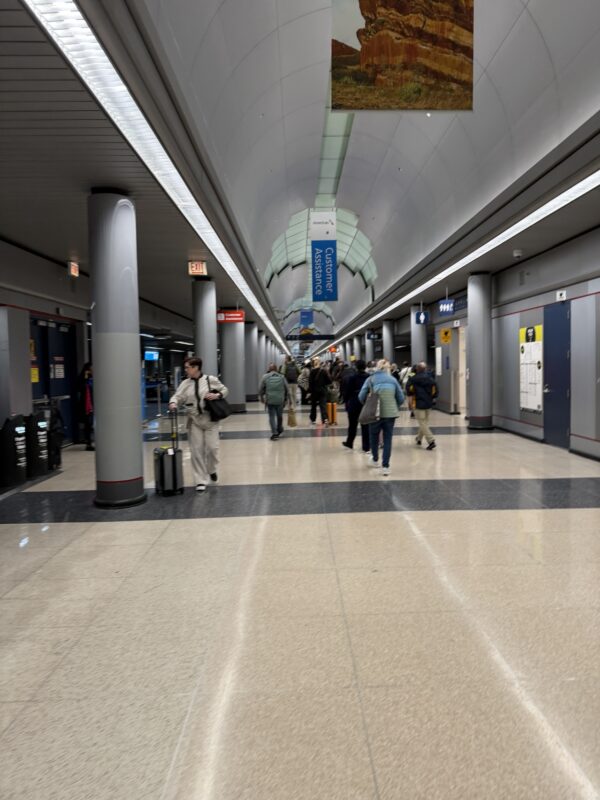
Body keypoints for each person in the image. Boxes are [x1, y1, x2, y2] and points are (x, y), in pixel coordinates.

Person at [168, 356, 228, 492]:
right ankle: (200, 480)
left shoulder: (210, 380)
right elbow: (177, 396)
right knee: (196, 451)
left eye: (187, 367)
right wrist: (173, 402)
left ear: (196, 368)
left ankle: (211, 469)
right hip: (194, 420)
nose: (186, 370)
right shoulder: (185, 383)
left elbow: (224, 390)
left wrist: (217, 395)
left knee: (213, 449)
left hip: (210, 420)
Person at [358, 358, 404, 476]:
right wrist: (394, 406)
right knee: (387, 439)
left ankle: (375, 460)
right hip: (390, 414)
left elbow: (361, 396)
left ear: (377, 368)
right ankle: (386, 467)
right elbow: (401, 398)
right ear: (388, 368)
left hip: (375, 414)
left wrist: (368, 405)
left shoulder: (370, 379)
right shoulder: (393, 380)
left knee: (373, 437)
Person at [407, 361, 438, 450]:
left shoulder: (413, 379)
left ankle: (431, 441)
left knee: (422, 423)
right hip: (428, 403)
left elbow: (409, 391)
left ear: (417, 369)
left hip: (418, 403)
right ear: (425, 369)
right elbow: (435, 390)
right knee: (424, 422)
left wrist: (410, 403)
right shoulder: (431, 378)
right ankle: (419, 438)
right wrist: (433, 398)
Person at [341, 359, 370, 452]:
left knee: (352, 425)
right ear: (365, 367)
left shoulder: (352, 377)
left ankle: (350, 443)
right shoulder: (369, 377)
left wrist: (346, 401)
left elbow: (347, 392)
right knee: (365, 425)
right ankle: (366, 446)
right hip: (365, 403)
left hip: (354, 403)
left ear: (356, 367)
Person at [259, 363, 289, 440]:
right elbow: (287, 389)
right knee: (279, 416)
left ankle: (274, 433)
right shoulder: (282, 377)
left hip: (270, 400)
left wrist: (262, 397)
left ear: (269, 369)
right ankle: (279, 429)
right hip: (280, 400)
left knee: (271, 416)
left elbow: (260, 388)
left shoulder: (265, 377)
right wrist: (286, 399)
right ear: (276, 369)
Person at [309, 357, 331, 425]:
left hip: (314, 391)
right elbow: (329, 381)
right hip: (322, 391)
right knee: (323, 406)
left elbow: (310, 382)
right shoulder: (323, 371)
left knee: (313, 406)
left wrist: (310, 391)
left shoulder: (312, 371)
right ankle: (325, 419)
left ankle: (313, 419)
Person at [77, 362, 94, 450]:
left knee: (91, 424)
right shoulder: (85, 380)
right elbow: (80, 388)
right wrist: (86, 377)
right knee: (88, 424)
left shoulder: (93, 379)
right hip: (87, 405)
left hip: (93, 404)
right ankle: (89, 443)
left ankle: (90, 441)